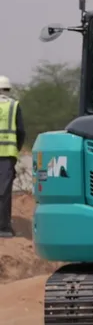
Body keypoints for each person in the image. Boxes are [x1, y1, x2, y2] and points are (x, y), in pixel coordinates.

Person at [0, 75, 25, 238]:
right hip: (7, 155)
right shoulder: (14, 106)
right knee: (3, 192)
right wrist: (17, 148)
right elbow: (21, 132)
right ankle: (4, 228)